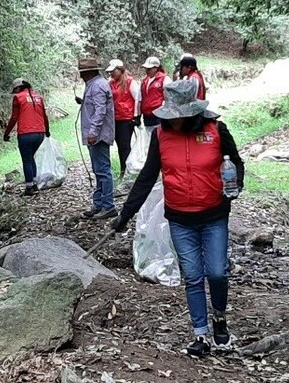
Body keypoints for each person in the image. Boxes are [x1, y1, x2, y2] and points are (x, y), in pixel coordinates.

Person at [112, 78, 245, 358]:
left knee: (218, 272)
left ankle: (219, 318)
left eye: (177, 117)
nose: (172, 121)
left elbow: (236, 162)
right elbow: (147, 177)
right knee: (194, 276)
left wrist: (235, 185)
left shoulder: (216, 130)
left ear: (192, 113)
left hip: (214, 215)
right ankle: (201, 335)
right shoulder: (161, 136)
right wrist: (125, 215)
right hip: (180, 219)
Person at [77, 55, 117, 219]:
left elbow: (100, 111)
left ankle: (108, 206)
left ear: (88, 72)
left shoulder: (98, 86)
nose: (80, 75)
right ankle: (99, 203)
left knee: (103, 171)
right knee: (98, 170)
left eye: (82, 72)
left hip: (99, 136)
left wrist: (93, 132)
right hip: (95, 135)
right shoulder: (93, 85)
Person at [3, 78, 50, 194]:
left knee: (26, 160)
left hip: (26, 133)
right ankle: (34, 185)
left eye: (15, 90)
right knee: (31, 158)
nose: (15, 93)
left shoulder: (18, 98)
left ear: (18, 88)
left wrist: (6, 133)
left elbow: (14, 118)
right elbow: (45, 116)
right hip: (40, 133)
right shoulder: (38, 97)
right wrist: (47, 131)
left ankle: (29, 187)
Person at [107, 59, 141, 176]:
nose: (111, 74)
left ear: (120, 70)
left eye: (113, 71)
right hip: (115, 118)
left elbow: (137, 98)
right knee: (120, 146)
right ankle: (124, 169)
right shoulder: (110, 83)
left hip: (126, 119)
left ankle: (127, 170)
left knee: (125, 145)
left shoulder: (130, 82)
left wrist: (136, 116)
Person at [139, 57, 167, 128]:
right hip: (147, 115)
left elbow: (168, 97)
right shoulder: (145, 80)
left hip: (158, 115)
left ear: (156, 68)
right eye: (146, 69)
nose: (147, 71)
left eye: (149, 69)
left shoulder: (164, 79)